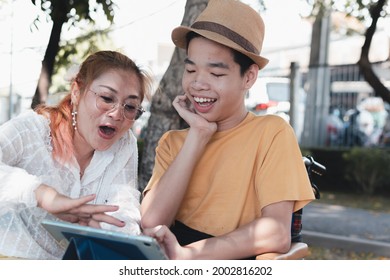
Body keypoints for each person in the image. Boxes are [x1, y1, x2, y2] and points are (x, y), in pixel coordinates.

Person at [141, 0, 315, 260]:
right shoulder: (172, 143)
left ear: (249, 77)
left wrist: (187, 257)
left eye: (216, 74)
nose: (198, 83)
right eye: (190, 69)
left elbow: (277, 232)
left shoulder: (271, 134)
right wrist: (198, 135)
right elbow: (151, 222)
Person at [0, 50, 152, 259]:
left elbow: (123, 212)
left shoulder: (124, 144)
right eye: (107, 98)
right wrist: (43, 195)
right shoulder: (33, 130)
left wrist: (114, 236)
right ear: (76, 92)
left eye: (130, 106)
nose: (117, 114)